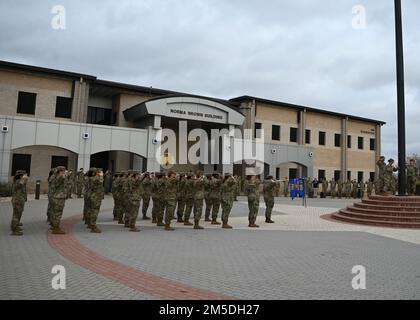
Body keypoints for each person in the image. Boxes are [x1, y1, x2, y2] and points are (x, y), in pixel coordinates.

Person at [50, 166, 67, 234]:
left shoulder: (53, 176)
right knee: (58, 213)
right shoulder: (60, 177)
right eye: (64, 171)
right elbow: (58, 184)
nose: (65, 172)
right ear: (61, 171)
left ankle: (54, 226)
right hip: (59, 197)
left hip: (55, 196)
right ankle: (56, 228)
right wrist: (62, 176)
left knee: (54, 212)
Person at [10, 170, 28, 236]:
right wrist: (23, 179)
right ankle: (14, 230)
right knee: (16, 215)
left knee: (18, 214)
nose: (26, 176)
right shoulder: (18, 182)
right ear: (21, 176)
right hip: (17, 201)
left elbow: (23, 191)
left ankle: (16, 227)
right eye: (25, 175)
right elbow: (19, 185)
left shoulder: (21, 182)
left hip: (20, 201)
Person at [87, 168, 104, 233]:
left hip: (94, 195)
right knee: (95, 211)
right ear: (97, 173)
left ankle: (91, 224)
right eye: (100, 172)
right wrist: (101, 176)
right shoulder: (96, 178)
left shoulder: (92, 178)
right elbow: (101, 181)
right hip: (96, 196)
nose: (101, 173)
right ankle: (93, 227)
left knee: (92, 210)